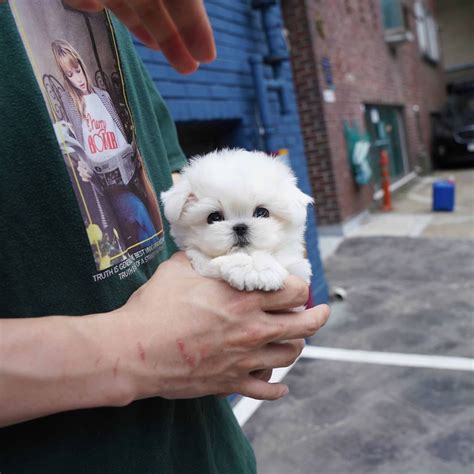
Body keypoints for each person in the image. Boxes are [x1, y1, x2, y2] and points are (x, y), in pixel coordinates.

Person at [0, 1, 330, 473]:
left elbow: (173, 186)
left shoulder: (113, 18)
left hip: (211, 451)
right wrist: (135, 348)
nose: (75, 74)